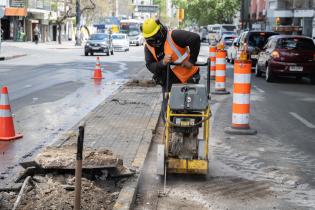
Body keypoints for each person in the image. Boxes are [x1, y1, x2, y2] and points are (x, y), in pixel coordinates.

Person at [141, 18, 201, 91]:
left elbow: (195, 38)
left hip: (189, 78)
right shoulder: (148, 47)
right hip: (168, 82)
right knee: (168, 102)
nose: (154, 41)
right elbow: (150, 65)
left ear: (160, 29)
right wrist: (162, 63)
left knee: (189, 101)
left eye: (155, 37)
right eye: (150, 39)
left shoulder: (174, 35)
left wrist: (191, 61)